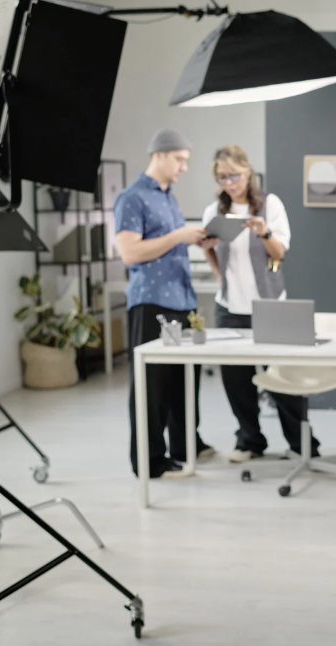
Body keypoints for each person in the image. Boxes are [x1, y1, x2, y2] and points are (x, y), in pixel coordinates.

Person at [199, 144, 320, 463]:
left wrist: (264, 232)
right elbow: (207, 248)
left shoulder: (270, 205)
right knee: (236, 382)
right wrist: (216, 270)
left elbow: (279, 253)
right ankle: (250, 440)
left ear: (248, 172)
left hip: (269, 306)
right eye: (222, 178)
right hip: (229, 308)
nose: (229, 183)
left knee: (283, 378)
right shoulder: (215, 212)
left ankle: (301, 443)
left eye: (234, 176)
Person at [115, 128, 215, 479]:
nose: (184, 167)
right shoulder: (133, 198)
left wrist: (195, 241)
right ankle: (151, 462)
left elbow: (168, 246)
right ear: (159, 155)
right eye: (180, 160)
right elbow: (130, 253)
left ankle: (184, 448)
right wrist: (178, 236)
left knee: (179, 383)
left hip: (180, 303)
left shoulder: (168, 197)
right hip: (151, 304)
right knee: (150, 387)